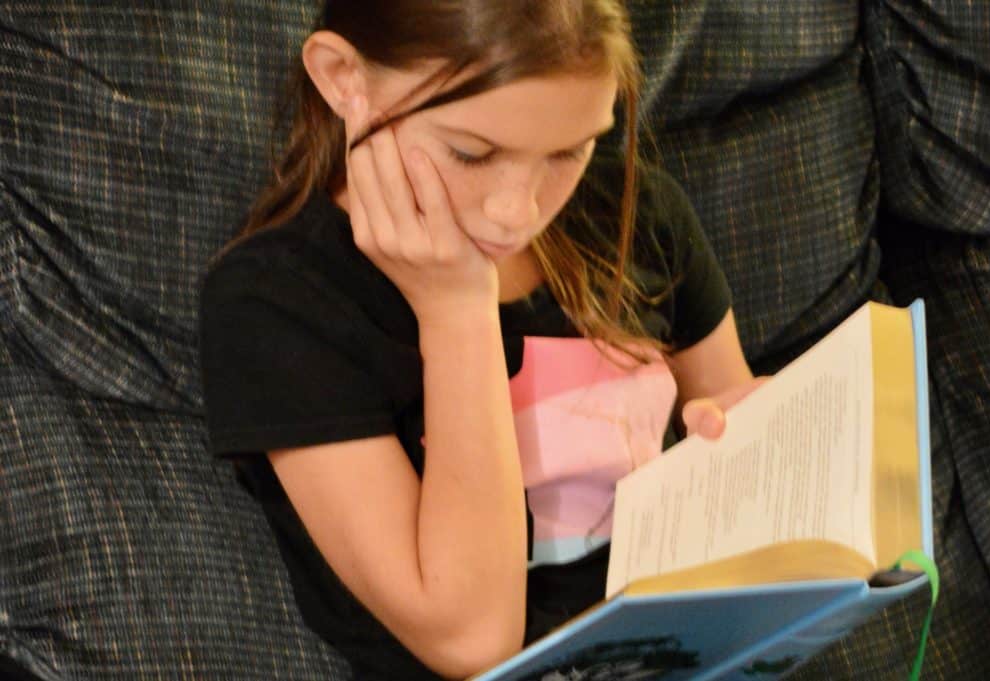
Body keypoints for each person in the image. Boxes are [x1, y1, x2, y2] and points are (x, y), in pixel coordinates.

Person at [199, 2, 765, 679]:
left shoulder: (639, 215)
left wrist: (757, 445)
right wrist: (456, 307)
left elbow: (732, 412)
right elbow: (473, 639)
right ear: (343, 76)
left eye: (568, 150)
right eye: (472, 152)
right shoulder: (278, 303)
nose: (517, 208)